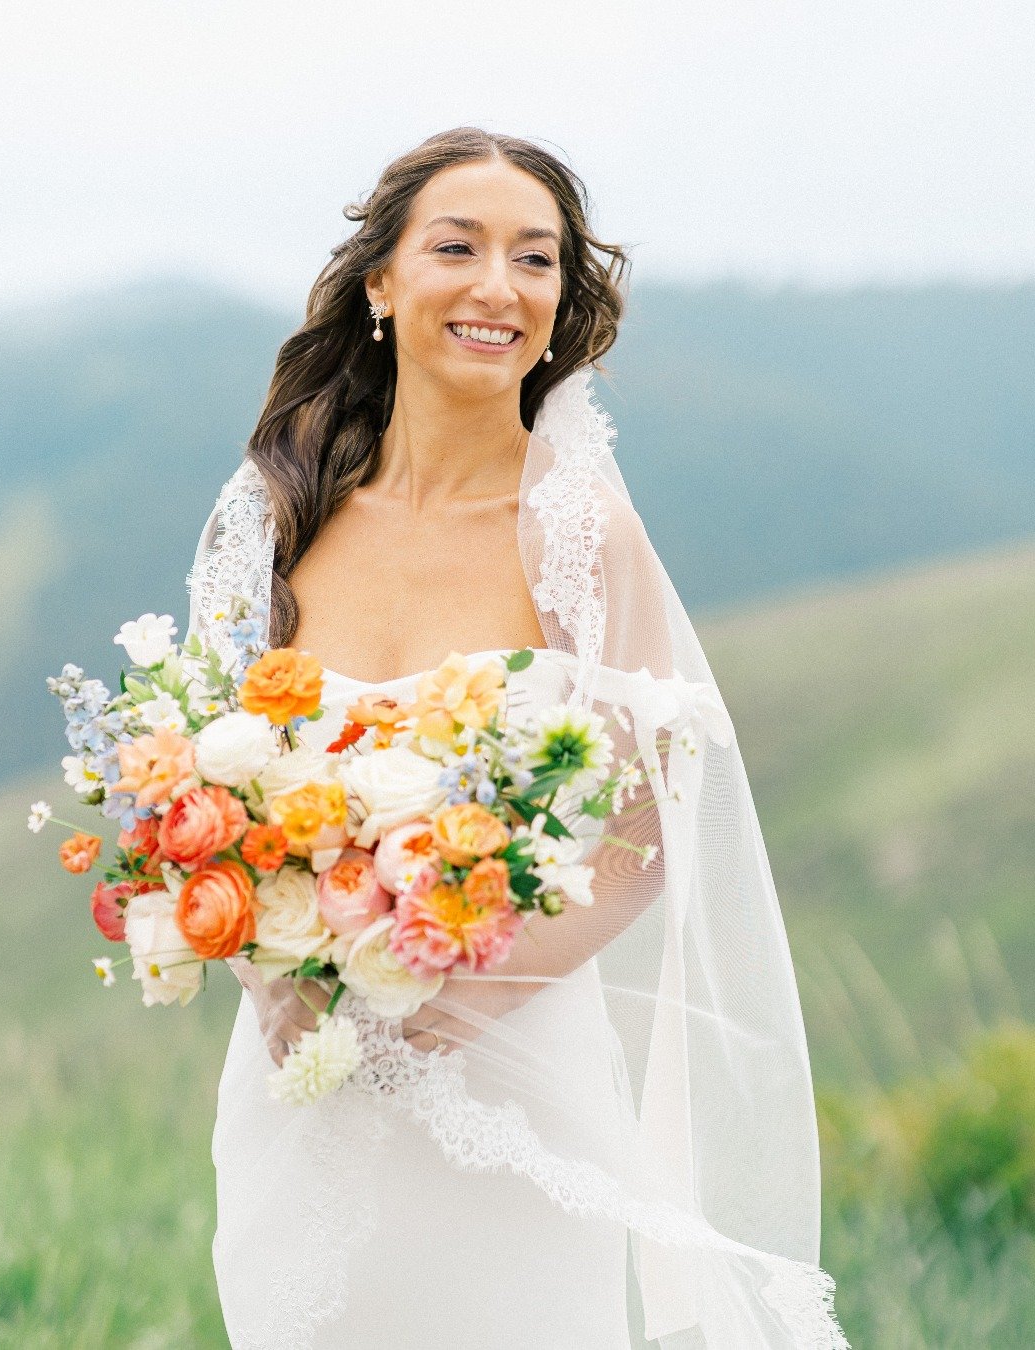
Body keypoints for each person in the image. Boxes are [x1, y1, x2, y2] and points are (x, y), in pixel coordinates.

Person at [186, 127, 850, 1348]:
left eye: (535, 260)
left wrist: (459, 993)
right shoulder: (267, 516)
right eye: (459, 246)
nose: (499, 285)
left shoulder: (580, 535)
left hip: (516, 1085)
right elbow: (198, 793)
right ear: (381, 283)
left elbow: (660, 817)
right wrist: (271, 970)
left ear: (558, 305)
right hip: (298, 1081)